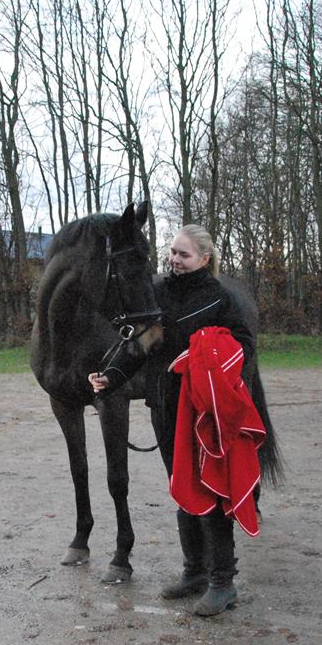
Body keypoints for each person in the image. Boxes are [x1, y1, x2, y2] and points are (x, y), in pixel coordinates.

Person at [89, 225, 256, 616]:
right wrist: (111, 376)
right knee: (181, 487)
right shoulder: (158, 292)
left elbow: (243, 348)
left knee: (210, 491)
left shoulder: (219, 299)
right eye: (173, 253)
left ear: (204, 258)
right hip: (165, 406)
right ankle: (194, 571)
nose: (175, 260)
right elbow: (141, 343)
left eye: (183, 254)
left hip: (204, 411)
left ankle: (222, 582)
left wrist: (211, 361)